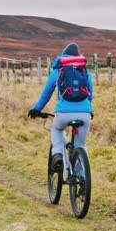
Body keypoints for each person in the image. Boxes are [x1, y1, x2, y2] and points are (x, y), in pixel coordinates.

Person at [27, 43, 93, 171]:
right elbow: (90, 94)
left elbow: (46, 94)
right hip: (85, 113)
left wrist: (37, 109)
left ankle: (57, 154)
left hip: (63, 113)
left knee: (57, 129)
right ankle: (83, 179)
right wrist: (90, 111)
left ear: (63, 55)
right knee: (80, 144)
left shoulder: (58, 71)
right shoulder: (85, 71)